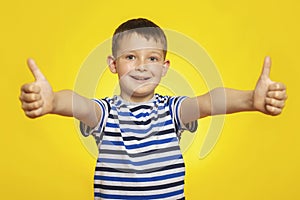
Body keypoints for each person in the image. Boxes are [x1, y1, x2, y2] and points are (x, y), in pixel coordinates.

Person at [19, 18, 287, 200]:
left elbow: (209, 101)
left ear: (164, 67)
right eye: (130, 57)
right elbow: (79, 104)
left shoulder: (173, 111)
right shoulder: (105, 113)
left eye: (153, 58)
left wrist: (251, 99)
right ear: (113, 65)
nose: (142, 66)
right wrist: (52, 101)